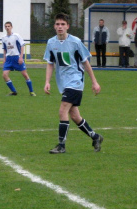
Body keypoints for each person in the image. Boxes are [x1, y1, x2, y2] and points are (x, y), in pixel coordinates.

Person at [43, 13, 104, 154]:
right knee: (75, 116)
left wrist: (94, 82)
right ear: (54, 26)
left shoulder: (75, 42)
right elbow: (50, 63)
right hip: (63, 83)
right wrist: (47, 81)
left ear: (67, 26)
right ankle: (95, 137)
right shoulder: (51, 43)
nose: (60, 27)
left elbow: (85, 62)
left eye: (63, 24)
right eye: (57, 24)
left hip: (75, 81)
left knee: (62, 110)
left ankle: (61, 146)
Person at [1, 21, 35, 96]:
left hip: (17, 57)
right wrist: (4, 58)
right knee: (4, 75)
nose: (7, 28)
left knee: (25, 75)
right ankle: (14, 91)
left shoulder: (16, 36)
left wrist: (21, 57)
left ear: (11, 27)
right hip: (9, 59)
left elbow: (22, 46)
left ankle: (31, 91)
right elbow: (4, 49)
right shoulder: (3, 38)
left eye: (8, 26)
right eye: (6, 26)